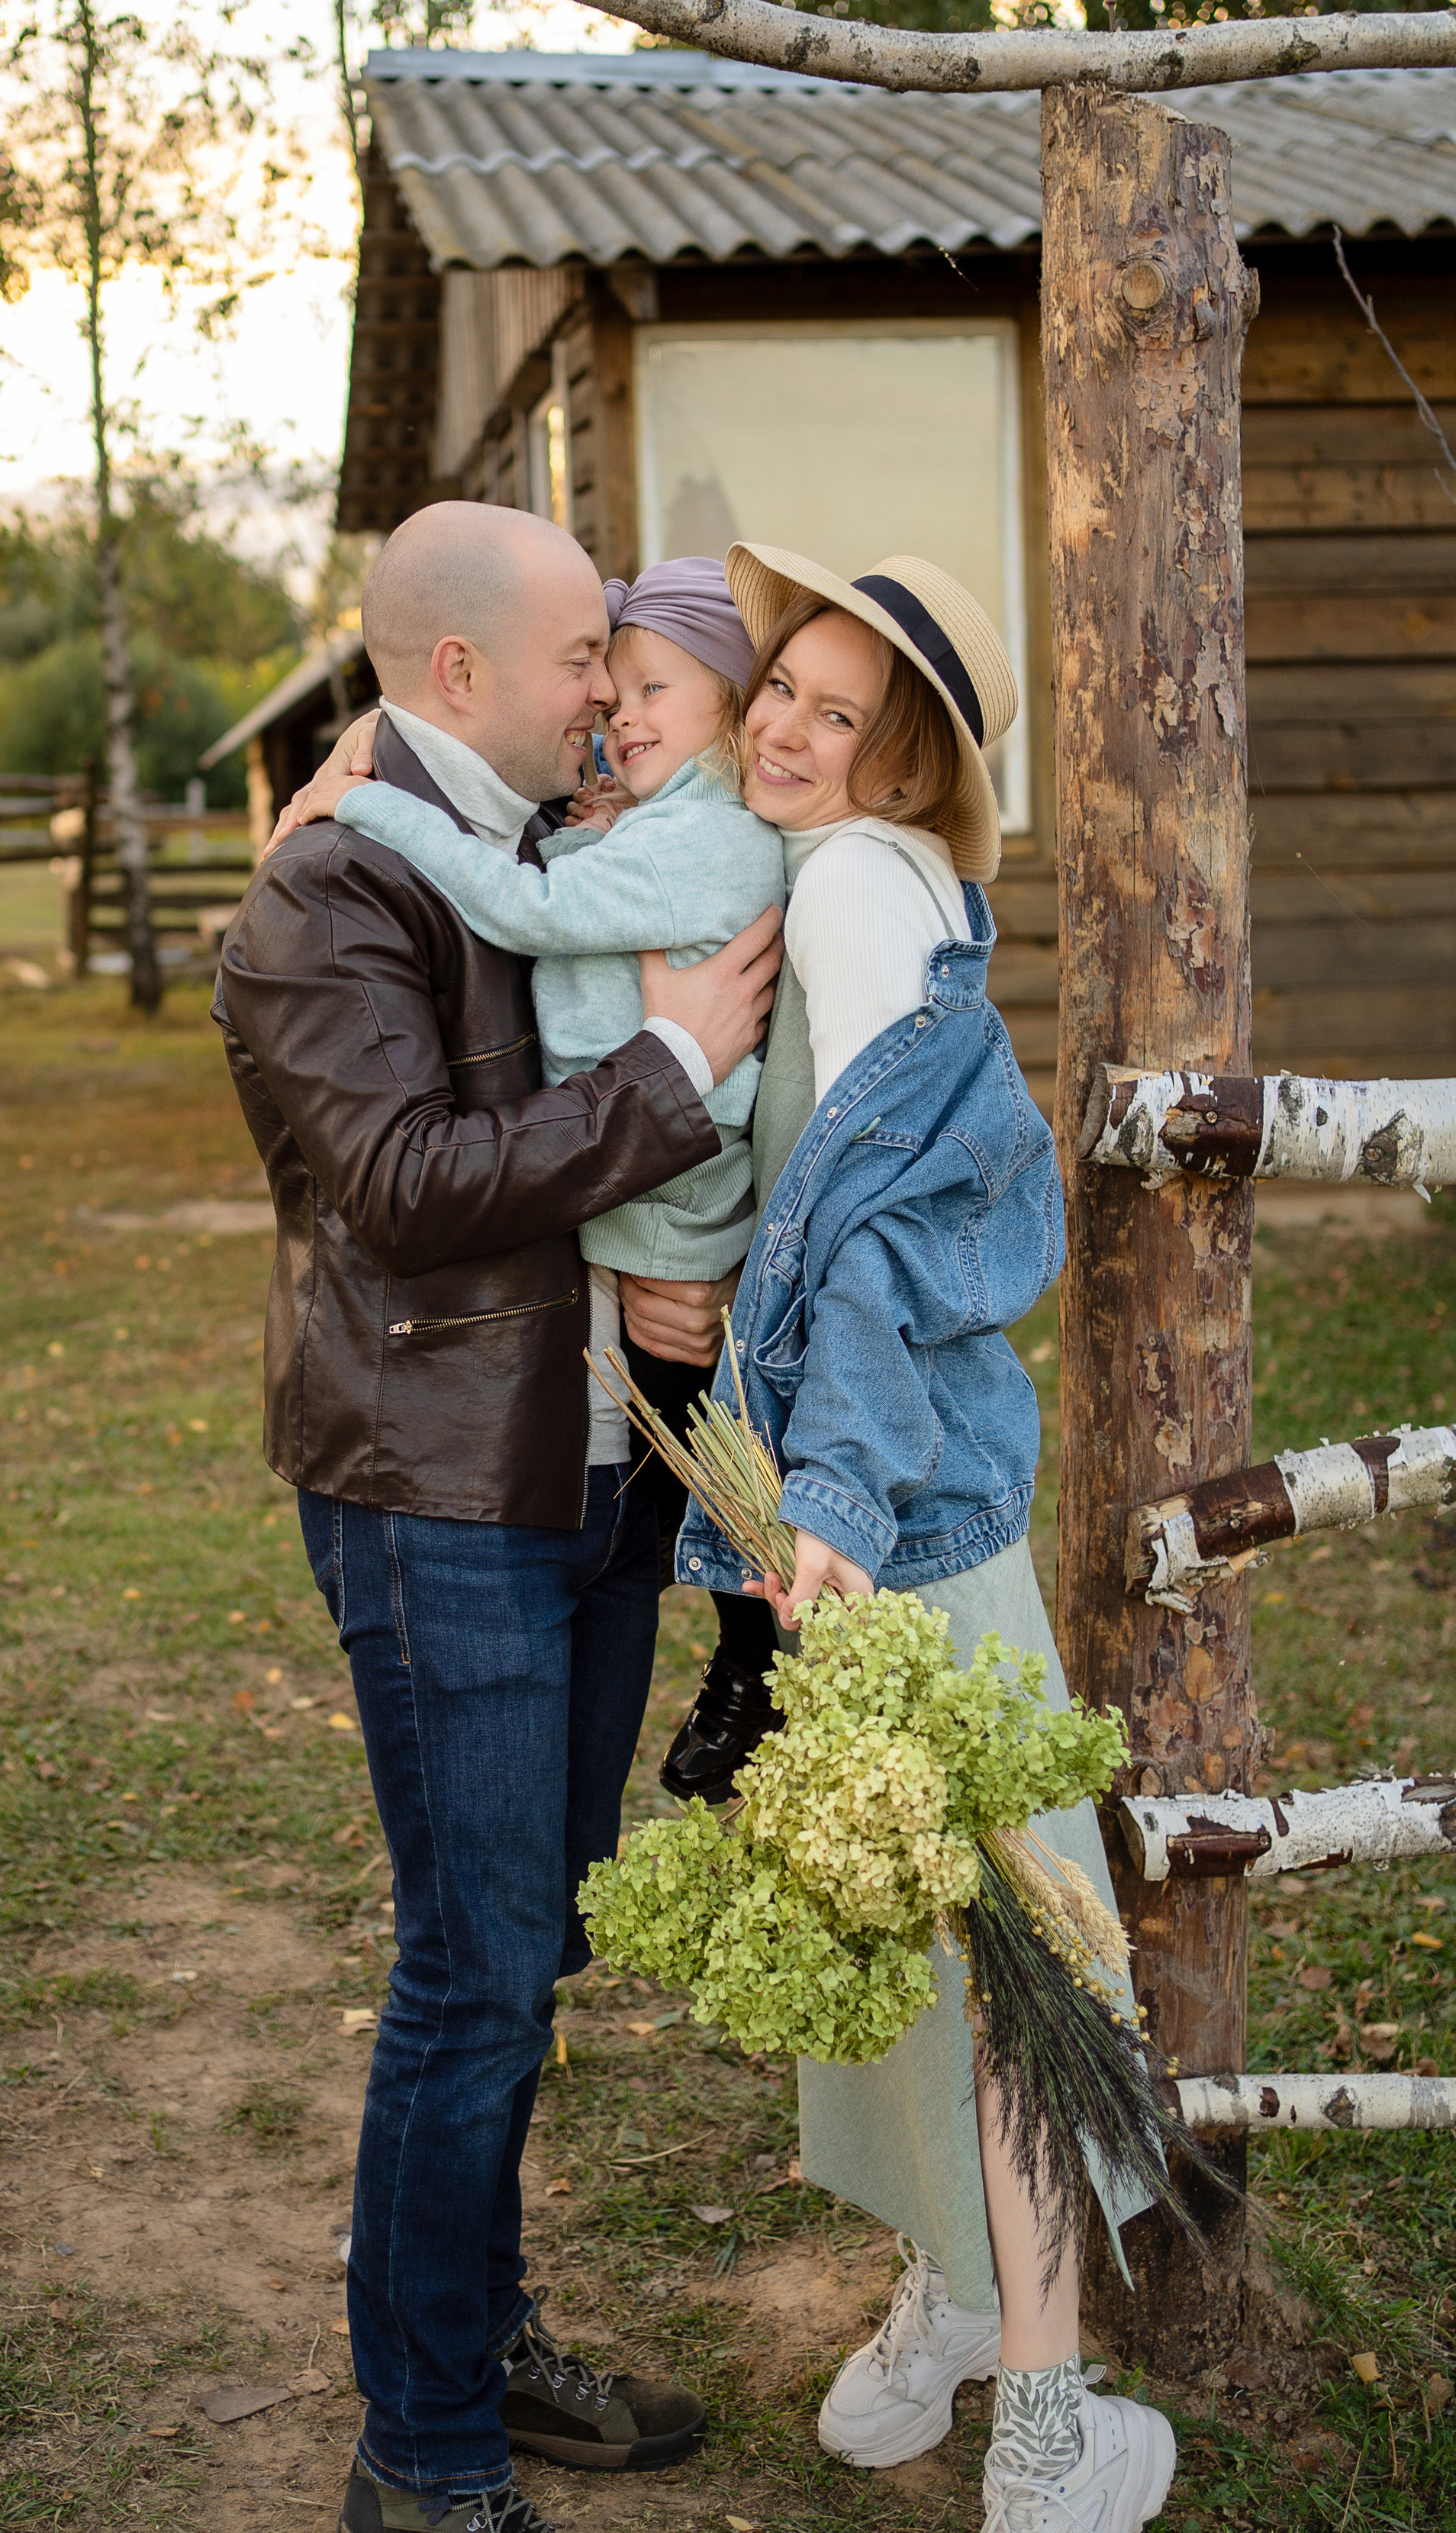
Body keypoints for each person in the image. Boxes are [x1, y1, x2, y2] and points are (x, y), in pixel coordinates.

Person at [211, 500, 783, 2533]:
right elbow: (403, 1180)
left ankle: (479, 2333)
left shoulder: (552, 841)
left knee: (526, 1945)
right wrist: (668, 1073)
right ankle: (426, 2456)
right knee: (470, 1966)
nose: (606, 702)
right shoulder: (325, 896)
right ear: (458, 673)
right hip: (443, 1494)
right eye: (577, 670)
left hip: (596, 1475)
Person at [674, 543, 1175, 2533]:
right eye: (779, 687)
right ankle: (961, 2313)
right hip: (859, 1509)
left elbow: (869, 1231)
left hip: (892, 1516)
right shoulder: (853, 882)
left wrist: (845, 1511)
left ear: (904, 770)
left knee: (1015, 1951)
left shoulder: (857, 891)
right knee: (923, 1919)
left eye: (840, 716)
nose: (790, 727)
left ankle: (1038, 2417)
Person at [285, 553, 790, 1800]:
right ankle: (761, 1657)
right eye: (596, 678)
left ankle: (764, 1663)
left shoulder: (709, 839)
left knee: (719, 1465)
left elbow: (525, 908)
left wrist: (366, 796)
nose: (611, 709)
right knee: (706, 1453)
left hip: (660, 1243)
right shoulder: (620, 817)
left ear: (729, 696)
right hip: (561, 1319)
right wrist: (366, 743)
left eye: (637, 685)